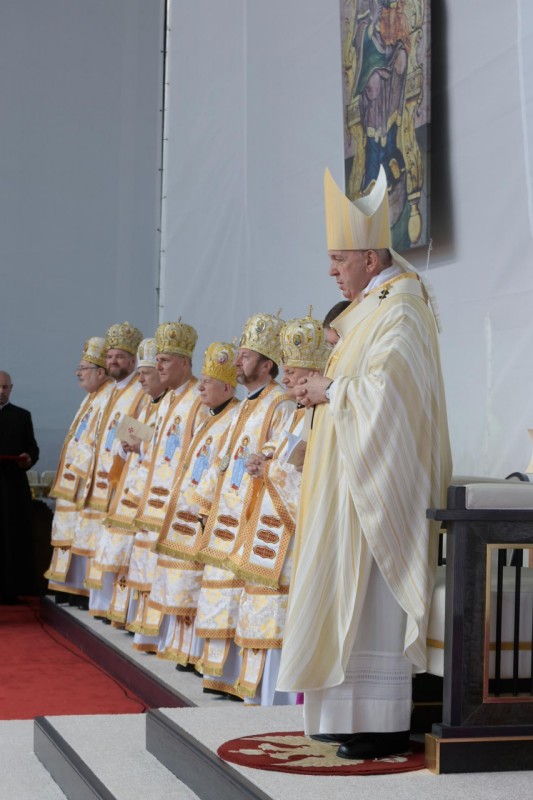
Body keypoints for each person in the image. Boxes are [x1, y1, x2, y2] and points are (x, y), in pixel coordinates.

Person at [277, 167, 452, 759]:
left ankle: (379, 723)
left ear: (370, 259)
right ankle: (342, 716)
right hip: (347, 480)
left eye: (338, 259)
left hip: (377, 486)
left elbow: (392, 396)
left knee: (368, 603)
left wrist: (330, 390)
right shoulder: (367, 311)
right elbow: (348, 388)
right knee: (341, 597)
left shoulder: (400, 308)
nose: (331, 271)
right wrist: (316, 400)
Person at [191, 313, 294, 698]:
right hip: (229, 512)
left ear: (266, 365)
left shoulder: (280, 403)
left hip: (256, 517)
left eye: (245, 356)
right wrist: (205, 500)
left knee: (250, 599)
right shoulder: (245, 405)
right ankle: (226, 676)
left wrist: (265, 463)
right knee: (227, 595)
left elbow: (283, 457)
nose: (236, 361)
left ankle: (252, 684)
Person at [227, 312, 329, 705]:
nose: (286, 378)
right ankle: (261, 690)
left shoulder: (322, 416)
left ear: (314, 374)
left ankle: (284, 696)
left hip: (294, 536)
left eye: (293, 372)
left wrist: (270, 469)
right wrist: (263, 459)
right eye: (285, 370)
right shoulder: (298, 412)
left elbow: (317, 476)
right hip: (271, 531)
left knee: (281, 611)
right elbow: (279, 450)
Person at [148, 340, 240, 665]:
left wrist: (201, 502)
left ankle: (194, 654)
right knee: (181, 581)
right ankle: (181, 649)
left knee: (194, 582)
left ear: (226, 387)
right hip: (186, 508)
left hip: (204, 511)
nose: (201, 386)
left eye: (208, 382)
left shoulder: (233, 417)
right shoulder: (210, 416)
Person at [71, 322, 145, 614]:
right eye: (110, 356)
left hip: (120, 478)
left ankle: (113, 607)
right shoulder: (110, 390)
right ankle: (99, 604)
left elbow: (138, 431)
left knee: (115, 545)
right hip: (99, 478)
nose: (113, 361)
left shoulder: (139, 390)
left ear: (132, 361)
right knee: (100, 542)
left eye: (119, 357)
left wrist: (121, 457)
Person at [93, 337, 166, 626]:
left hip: (149, 492)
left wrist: (140, 446)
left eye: (146, 374)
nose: (141, 380)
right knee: (124, 553)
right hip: (131, 486)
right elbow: (123, 443)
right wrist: (125, 446)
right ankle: (119, 612)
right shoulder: (145, 404)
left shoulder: (169, 404)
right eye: (141, 374)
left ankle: (133, 616)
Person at [46, 338, 112, 603]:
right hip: (76, 478)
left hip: (89, 479)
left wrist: (79, 465)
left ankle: (82, 590)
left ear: (100, 372)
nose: (78, 373)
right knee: (72, 532)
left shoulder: (108, 397)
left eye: (84, 368)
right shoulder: (92, 397)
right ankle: (68, 587)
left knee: (86, 534)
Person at [0, 370, 39, 603]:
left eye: (5, 387)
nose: (1, 391)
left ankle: (11, 589)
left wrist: (28, 458)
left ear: (11, 388)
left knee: (11, 534)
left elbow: (32, 448)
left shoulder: (22, 416)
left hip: (11, 486)